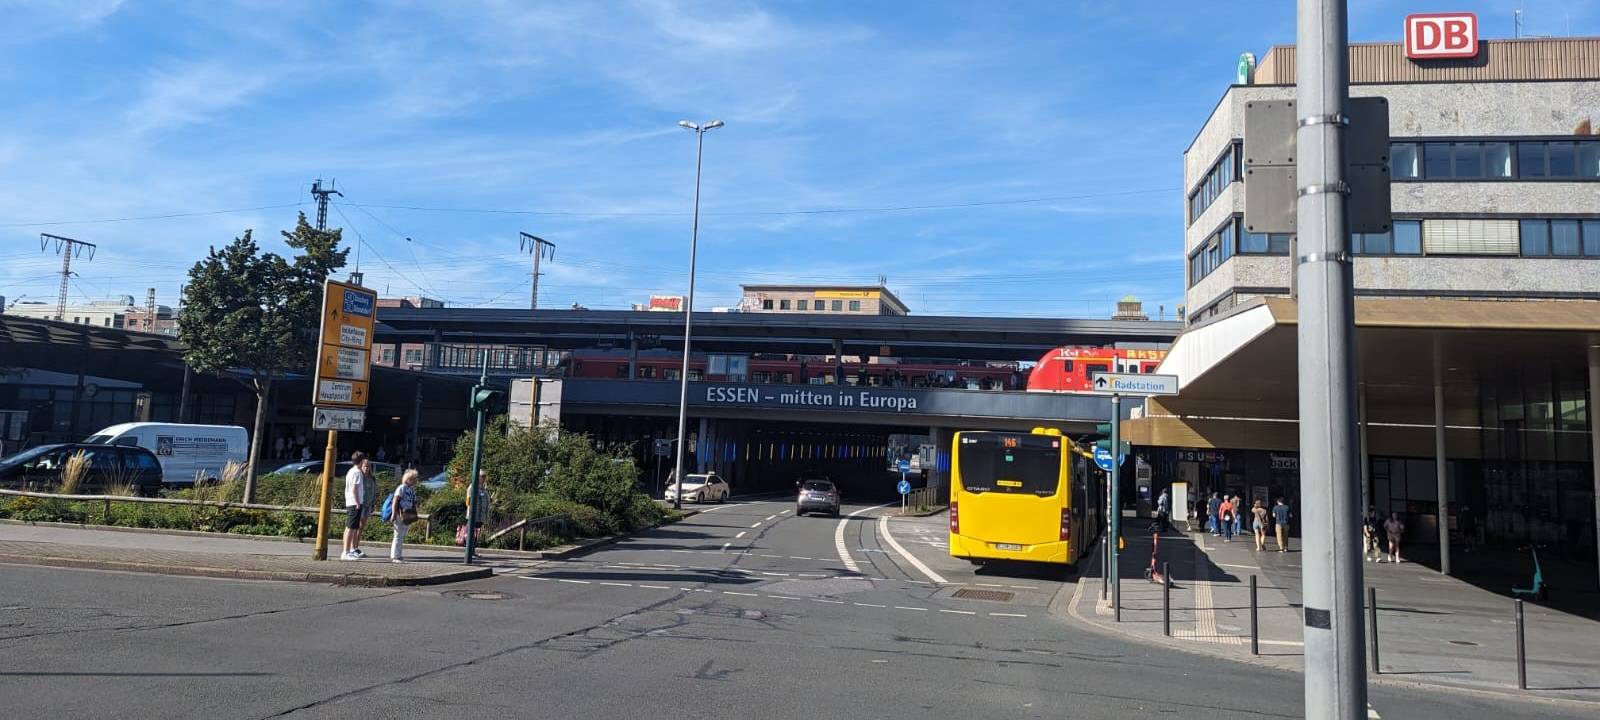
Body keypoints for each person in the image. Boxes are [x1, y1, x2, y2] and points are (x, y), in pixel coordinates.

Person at [341, 451, 371, 560]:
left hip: (350, 502)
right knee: (351, 528)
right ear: (361, 461)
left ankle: (349, 550)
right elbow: (354, 488)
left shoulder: (351, 471)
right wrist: (358, 502)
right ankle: (346, 552)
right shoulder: (358, 472)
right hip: (354, 503)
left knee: (350, 527)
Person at [388, 469, 420, 562]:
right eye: (413, 479)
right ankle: (395, 556)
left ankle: (399, 555)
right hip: (400, 513)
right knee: (398, 535)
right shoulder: (402, 488)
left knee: (402, 535)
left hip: (407, 514)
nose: (415, 481)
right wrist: (394, 514)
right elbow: (395, 500)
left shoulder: (411, 489)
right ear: (408, 479)